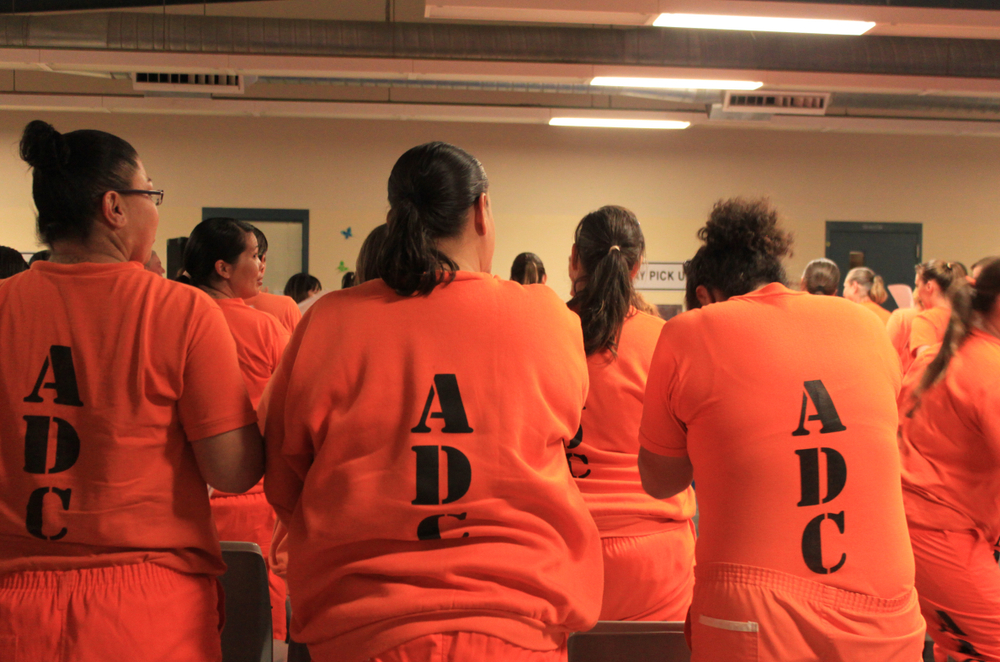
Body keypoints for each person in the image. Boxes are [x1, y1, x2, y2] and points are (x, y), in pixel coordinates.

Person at [261, 141, 602, 662]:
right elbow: (558, 438)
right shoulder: (549, 319)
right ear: (481, 210)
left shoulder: (329, 320)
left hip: (361, 624)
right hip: (515, 623)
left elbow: (285, 484)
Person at [0, 120, 262, 661]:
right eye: (151, 193)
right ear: (115, 207)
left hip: (12, 611)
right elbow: (232, 470)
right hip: (145, 612)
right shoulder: (181, 311)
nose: (156, 209)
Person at [638, 198, 924, 662]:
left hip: (755, 608)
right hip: (886, 610)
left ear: (706, 295)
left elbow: (660, 480)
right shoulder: (870, 327)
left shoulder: (690, 332)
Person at [566, 205, 695, 621]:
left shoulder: (545, 331)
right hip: (656, 558)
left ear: (574, 260)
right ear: (637, 265)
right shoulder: (664, 338)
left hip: (565, 548)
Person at [181, 217, 290, 645]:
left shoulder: (171, 315)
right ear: (224, 268)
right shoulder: (264, 327)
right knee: (257, 628)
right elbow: (292, 411)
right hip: (253, 499)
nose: (261, 265)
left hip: (187, 499)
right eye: (254, 256)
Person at [897, 258, 1000, 661]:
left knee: (961, 648)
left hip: (927, 528)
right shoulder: (986, 368)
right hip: (935, 535)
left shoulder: (946, 355)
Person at [246, 225, 302, 333]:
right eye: (254, 257)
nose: (261, 267)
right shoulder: (285, 307)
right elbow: (300, 349)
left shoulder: (206, 305)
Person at [910, 260, 963, 361]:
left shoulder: (926, 320)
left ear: (929, 286)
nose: (916, 293)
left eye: (917, 286)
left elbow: (925, 365)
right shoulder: (967, 317)